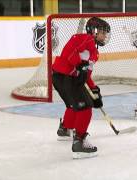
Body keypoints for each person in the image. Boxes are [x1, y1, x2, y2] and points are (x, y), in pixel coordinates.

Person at [52, 17, 110, 159]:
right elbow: (69, 53)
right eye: (102, 32)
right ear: (94, 31)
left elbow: (86, 74)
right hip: (66, 77)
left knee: (75, 105)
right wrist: (78, 64)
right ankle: (79, 143)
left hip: (60, 78)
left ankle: (65, 129)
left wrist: (94, 90)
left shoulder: (95, 53)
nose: (105, 36)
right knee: (85, 108)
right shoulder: (86, 39)